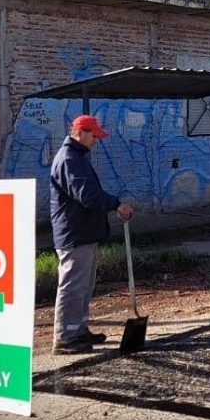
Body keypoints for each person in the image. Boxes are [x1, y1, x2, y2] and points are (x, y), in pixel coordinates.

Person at [50, 114, 133, 354]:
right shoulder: (69, 159)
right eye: (93, 135)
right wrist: (115, 204)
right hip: (74, 233)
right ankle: (65, 338)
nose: (96, 140)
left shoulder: (76, 157)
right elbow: (87, 195)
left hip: (82, 231)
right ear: (81, 132)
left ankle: (78, 329)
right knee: (73, 286)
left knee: (83, 286)